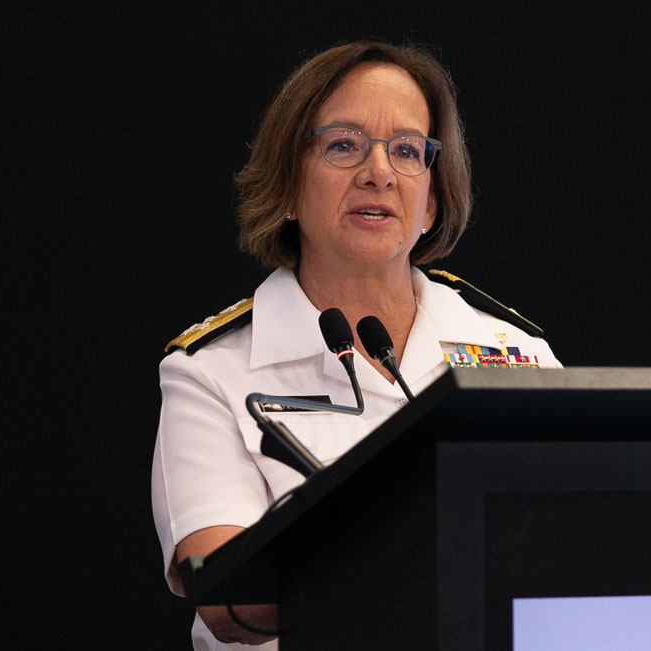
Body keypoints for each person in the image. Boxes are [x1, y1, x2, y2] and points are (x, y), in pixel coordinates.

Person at [151, 40, 561, 650]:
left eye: (406, 150)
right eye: (343, 145)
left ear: (433, 199)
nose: (380, 172)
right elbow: (230, 603)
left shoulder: (515, 352)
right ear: (288, 187)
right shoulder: (212, 374)